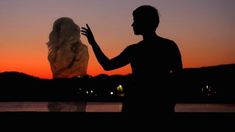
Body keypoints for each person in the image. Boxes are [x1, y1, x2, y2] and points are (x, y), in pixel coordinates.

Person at [82, 5, 182, 117]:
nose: (132, 24)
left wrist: (93, 43)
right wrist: (168, 102)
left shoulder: (134, 50)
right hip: (161, 106)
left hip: (136, 105)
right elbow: (178, 78)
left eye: (135, 21)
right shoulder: (169, 46)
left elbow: (107, 65)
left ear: (145, 22)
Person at [47, 17, 89, 112]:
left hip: (71, 93)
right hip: (61, 93)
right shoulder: (55, 52)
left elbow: (78, 72)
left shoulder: (81, 49)